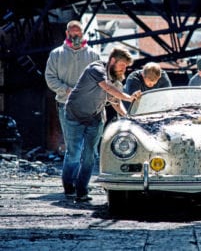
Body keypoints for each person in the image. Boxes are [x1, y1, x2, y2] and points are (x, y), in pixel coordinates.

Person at [62, 46, 141, 202]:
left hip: (95, 118)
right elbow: (107, 88)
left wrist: (128, 116)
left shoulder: (117, 81)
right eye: (122, 65)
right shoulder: (96, 68)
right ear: (112, 60)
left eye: (126, 66)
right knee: (74, 154)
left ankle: (81, 190)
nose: (124, 69)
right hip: (74, 115)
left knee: (90, 155)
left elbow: (116, 101)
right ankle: (68, 186)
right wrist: (128, 97)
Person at [45, 20, 100, 152]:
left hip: (88, 106)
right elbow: (50, 77)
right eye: (72, 33)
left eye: (78, 33)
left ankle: (85, 172)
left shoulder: (93, 55)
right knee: (72, 146)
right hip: (65, 104)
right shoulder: (56, 54)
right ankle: (72, 173)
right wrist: (66, 90)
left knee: (88, 146)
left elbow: (100, 80)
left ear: (82, 33)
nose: (75, 36)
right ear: (67, 33)